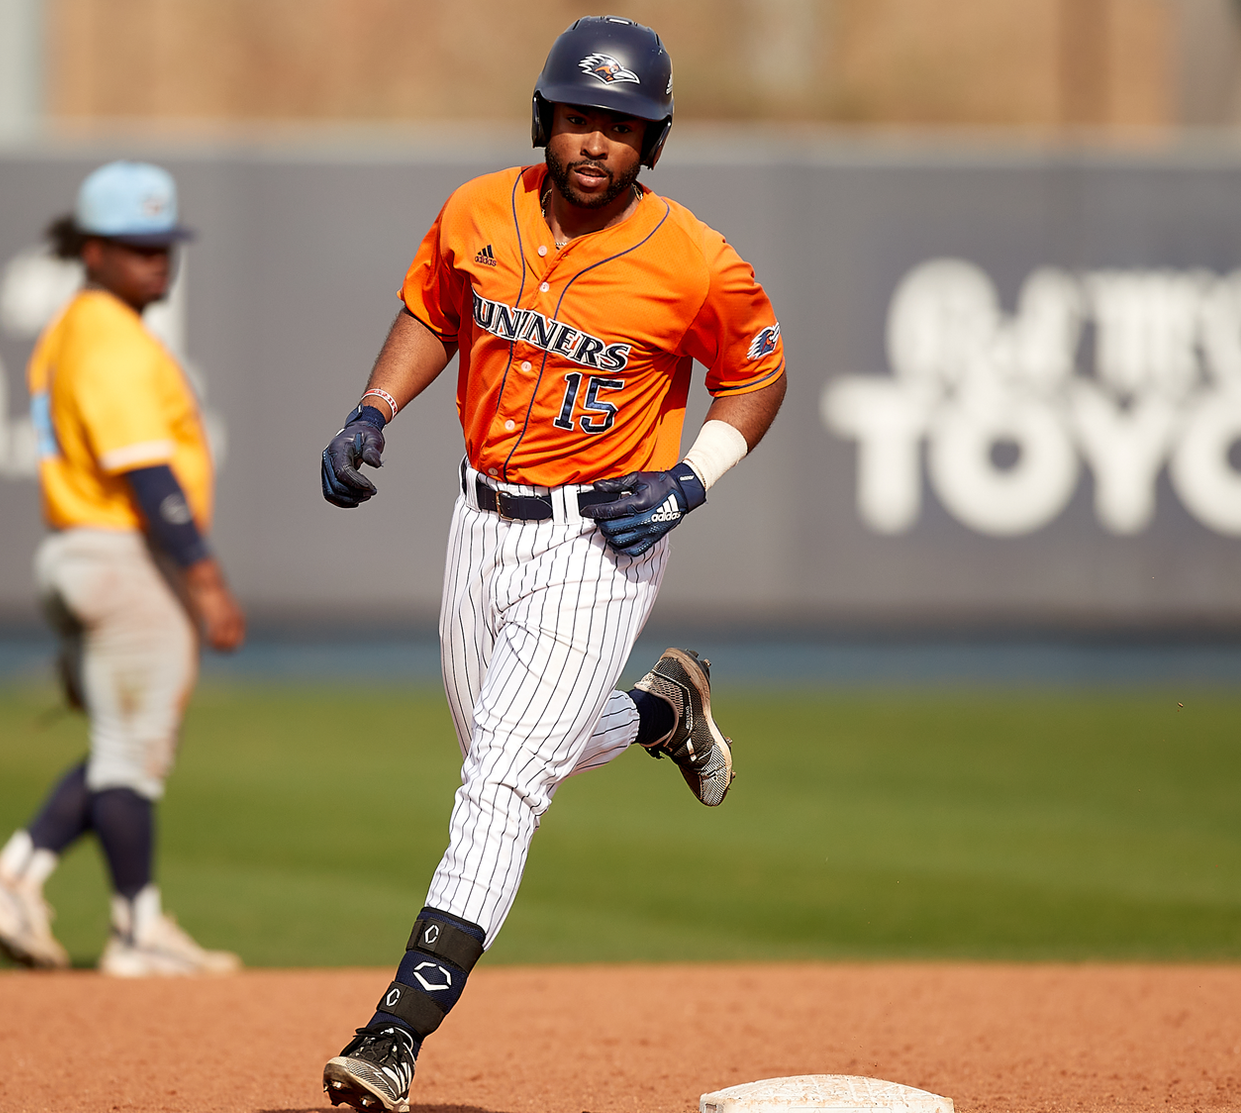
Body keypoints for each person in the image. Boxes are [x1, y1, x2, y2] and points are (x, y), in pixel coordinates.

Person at [315, 17, 787, 1111]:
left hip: (603, 536)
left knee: (502, 783)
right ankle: (664, 712)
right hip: (479, 524)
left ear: (650, 143)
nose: (595, 143)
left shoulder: (696, 260)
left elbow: (757, 376)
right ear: (547, 121)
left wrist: (690, 481)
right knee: (513, 745)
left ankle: (396, 1030)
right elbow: (434, 310)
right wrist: (373, 406)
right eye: (579, 118)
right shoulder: (480, 208)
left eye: (620, 128)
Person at [0, 160, 247, 978]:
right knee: (133, 754)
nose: (156, 259)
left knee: (122, 747)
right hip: (121, 554)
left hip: (80, 552)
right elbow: (146, 474)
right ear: (91, 250)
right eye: (134, 245)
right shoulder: (108, 337)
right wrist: (206, 579)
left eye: (163, 244)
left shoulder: (81, 328)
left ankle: (19, 876)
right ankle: (133, 926)